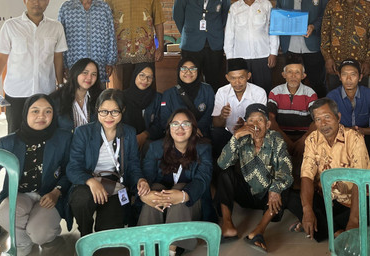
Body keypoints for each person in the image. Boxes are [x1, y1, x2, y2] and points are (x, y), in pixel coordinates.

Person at [0, 94, 72, 256]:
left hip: (49, 197)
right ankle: (22, 243)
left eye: (47, 111)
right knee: (5, 213)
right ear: (25, 113)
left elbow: (70, 170)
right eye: (35, 111)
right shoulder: (9, 142)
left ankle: (48, 231)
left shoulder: (64, 138)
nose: (41, 116)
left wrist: (56, 191)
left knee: (40, 234)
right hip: (19, 196)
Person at [67, 89, 150, 236]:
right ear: (97, 110)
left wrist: (141, 179)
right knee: (81, 200)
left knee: (108, 231)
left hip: (115, 183)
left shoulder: (129, 133)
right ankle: (85, 235)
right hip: (88, 179)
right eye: (104, 111)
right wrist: (91, 181)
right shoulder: (83, 132)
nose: (109, 117)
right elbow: (73, 167)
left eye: (114, 112)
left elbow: (133, 165)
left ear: (122, 110)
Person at [0, 0, 67, 133]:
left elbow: (58, 57)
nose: (36, 2)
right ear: (24, 0)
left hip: (45, 91)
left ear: (47, 1)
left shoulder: (56, 27)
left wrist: (60, 84)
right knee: (15, 134)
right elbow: (0, 59)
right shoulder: (11, 26)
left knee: (45, 133)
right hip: (16, 93)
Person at [287, 98, 369, 241]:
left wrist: (354, 221)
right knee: (291, 197)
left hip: (351, 201)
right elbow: (307, 175)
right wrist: (307, 211)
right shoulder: (312, 139)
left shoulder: (354, 138)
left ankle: (323, 227)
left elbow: (360, 180)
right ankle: (337, 232)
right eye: (318, 119)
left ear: (338, 117)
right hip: (326, 199)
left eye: (327, 117)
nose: (323, 124)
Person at [216, 104, 293, 253]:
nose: (255, 124)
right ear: (246, 124)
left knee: (284, 185)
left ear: (268, 124)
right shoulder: (241, 138)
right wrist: (235, 137)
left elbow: (286, 167)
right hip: (247, 193)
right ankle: (228, 225)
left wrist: (275, 189)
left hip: (268, 197)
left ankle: (258, 231)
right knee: (225, 174)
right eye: (251, 120)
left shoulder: (276, 140)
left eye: (260, 120)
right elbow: (222, 163)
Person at [139, 110, 212, 255]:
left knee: (180, 188)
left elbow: (203, 180)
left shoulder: (203, 149)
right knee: (155, 190)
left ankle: (171, 249)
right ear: (168, 128)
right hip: (159, 208)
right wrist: (143, 194)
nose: (180, 128)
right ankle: (145, 249)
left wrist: (183, 195)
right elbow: (145, 177)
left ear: (193, 128)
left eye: (186, 124)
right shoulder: (155, 148)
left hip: (189, 207)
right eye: (175, 124)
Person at [276, 0, 335, 98]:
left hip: (313, 44)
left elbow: (329, 14)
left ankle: (321, 115)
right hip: (290, 45)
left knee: (318, 83)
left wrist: (314, 26)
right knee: (292, 83)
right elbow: (279, 13)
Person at [103, 0, 164, 89]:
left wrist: (160, 47)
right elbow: (105, 25)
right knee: (123, 90)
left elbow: (158, 21)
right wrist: (107, 52)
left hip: (146, 52)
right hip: (120, 52)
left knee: (146, 88)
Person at [173, 0, 231, 92]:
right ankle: (189, 111)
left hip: (214, 44)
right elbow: (178, 16)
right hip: (191, 44)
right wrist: (189, 32)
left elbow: (226, 15)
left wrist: (215, 30)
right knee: (189, 80)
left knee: (214, 81)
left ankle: (213, 112)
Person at [320, 0, 370, 90]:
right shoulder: (332, 6)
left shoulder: (369, 8)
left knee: (361, 100)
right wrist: (328, 58)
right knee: (335, 102)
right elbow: (325, 33)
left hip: (361, 66)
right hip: (336, 65)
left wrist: (369, 61)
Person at [58, 0, 117, 86]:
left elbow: (111, 35)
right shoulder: (66, 8)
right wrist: (64, 65)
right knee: (75, 100)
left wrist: (110, 61)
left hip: (99, 64)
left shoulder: (103, 8)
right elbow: (60, 39)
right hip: (74, 65)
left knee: (98, 100)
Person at [224, 0, 279, 94]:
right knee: (243, 91)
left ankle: (263, 113)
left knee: (263, 90)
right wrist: (230, 58)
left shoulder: (266, 5)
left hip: (263, 56)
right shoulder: (234, 8)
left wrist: (273, 53)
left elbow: (273, 31)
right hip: (240, 57)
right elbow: (229, 34)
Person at [327, 59, 370, 167]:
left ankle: (366, 167)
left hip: (363, 134)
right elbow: (328, 125)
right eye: (344, 75)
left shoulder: (368, 94)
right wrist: (346, 132)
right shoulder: (332, 96)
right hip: (341, 137)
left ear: (360, 77)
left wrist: (362, 130)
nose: (349, 79)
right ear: (340, 77)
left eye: (353, 75)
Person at [267, 56, 317, 176]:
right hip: (281, 135)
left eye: (297, 72)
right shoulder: (275, 92)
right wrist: (286, 141)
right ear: (284, 74)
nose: (293, 76)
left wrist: (303, 141)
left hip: (304, 137)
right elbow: (270, 120)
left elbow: (316, 121)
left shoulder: (310, 93)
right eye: (289, 72)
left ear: (303, 76)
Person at [146, 57, 215, 140]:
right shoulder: (169, 94)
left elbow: (209, 116)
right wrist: (185, 131)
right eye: (184, 68)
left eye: (192, 68)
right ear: (179, 71)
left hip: (201, 135)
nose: (188, 72)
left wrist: (195, 130)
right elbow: (165, 120)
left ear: (198, 71)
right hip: (176, 137)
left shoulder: (207, 90)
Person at [211, 58, 266, 158]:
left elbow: (262, 123)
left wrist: (245, 126)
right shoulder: (222, 92)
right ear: (227, 77)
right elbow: (216, 124)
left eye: (241, 77)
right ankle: (223, 170)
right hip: (228, 134)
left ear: (248, 76)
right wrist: (222, 116)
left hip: (251, 134)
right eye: (233, 78)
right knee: (216, 134)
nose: (237, 82)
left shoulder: (259, 92)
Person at [51, 58, 103, 131]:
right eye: (85, 72)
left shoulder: (100, 98)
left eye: (94, 74)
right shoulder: (56, 99)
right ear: (75, 73)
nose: (89, 77)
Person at [121, 63, 158, 150]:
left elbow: (160, 123)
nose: (145, 80)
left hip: (150, 142)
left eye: (150, 77)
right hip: (126, 141)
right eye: (142, 75)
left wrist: (144, 135)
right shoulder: (122, 96)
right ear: (135, 75)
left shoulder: (157, 98)